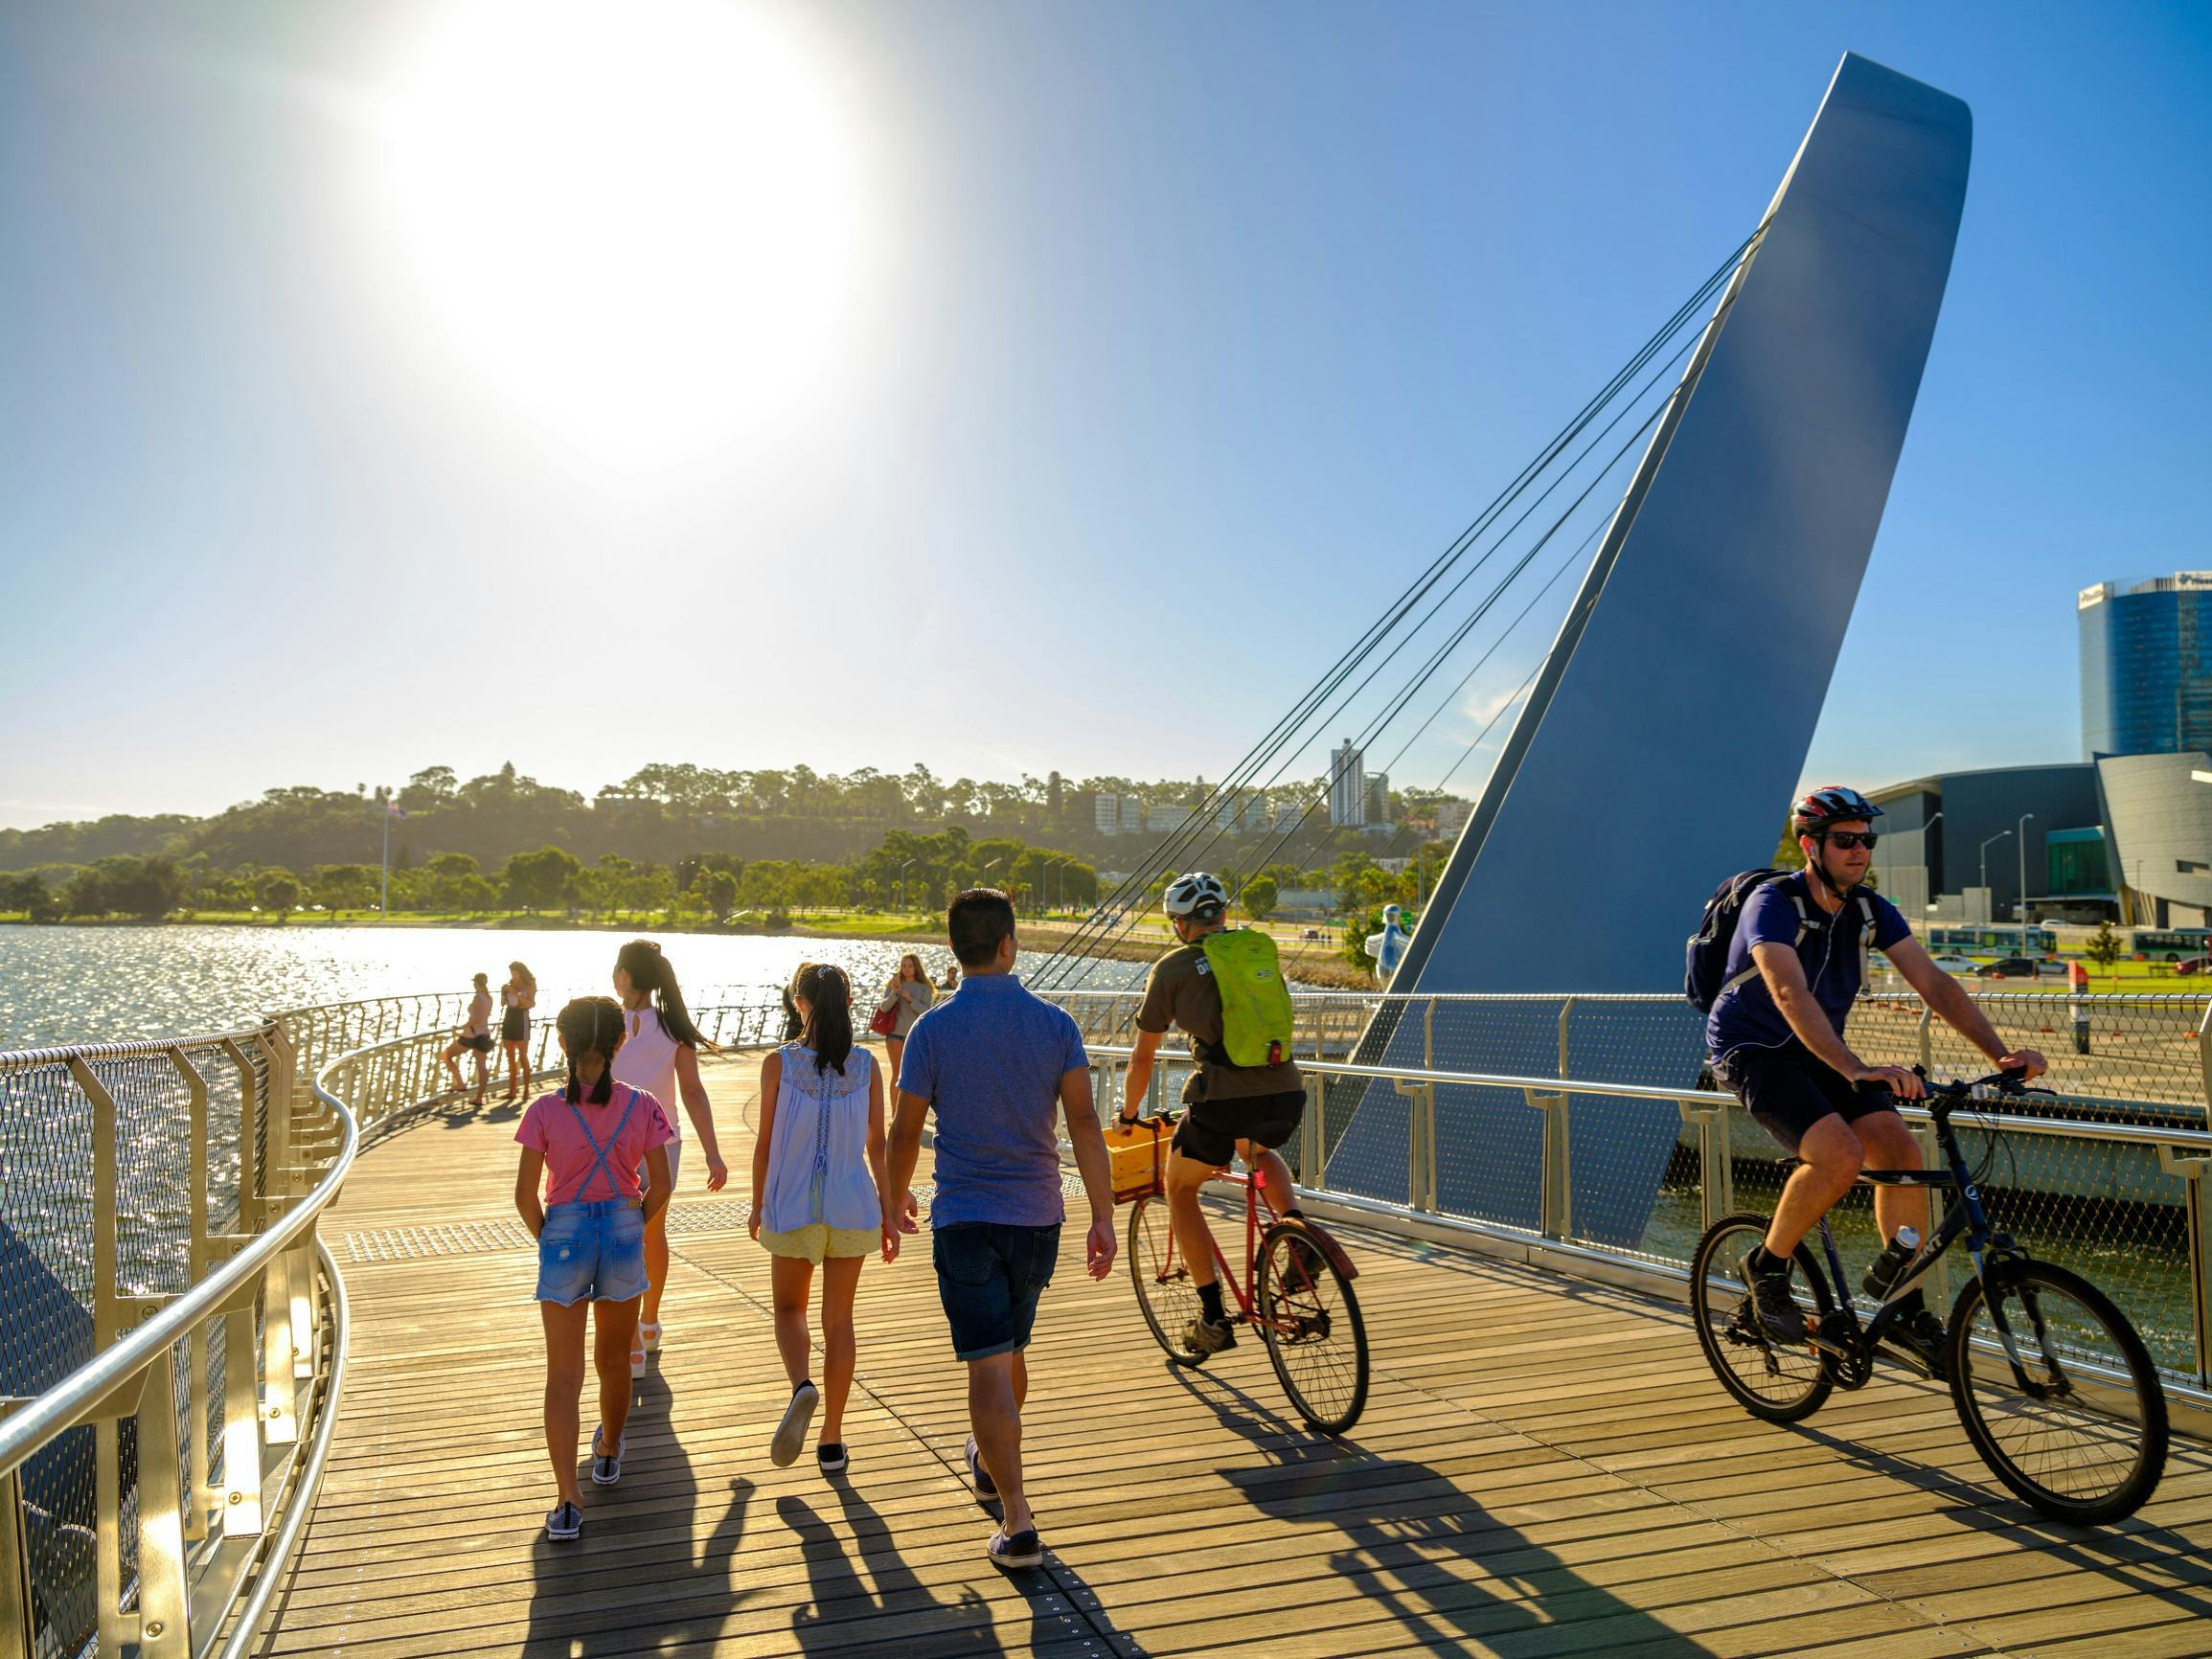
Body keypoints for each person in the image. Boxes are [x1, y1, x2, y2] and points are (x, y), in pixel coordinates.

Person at [1708, 786, 2047, 1372]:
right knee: (1837, 1154)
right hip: (1755, 1049)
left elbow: (1934, 984)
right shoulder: (1774, 902)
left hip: (1820, 1051)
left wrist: (1999, 1055)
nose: (1860, 850)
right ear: (1811, 846)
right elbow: (1788, 990)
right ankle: (1767, 1267)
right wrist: (1858, 1069)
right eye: (1845, 841)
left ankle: (1906, 1307)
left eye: (1867, 839)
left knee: (1899, 1152)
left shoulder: (1869, 909)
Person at [884, 888, 1116, 1570]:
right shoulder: (1055, 1024)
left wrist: (892, 1201)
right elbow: (1082, 1124)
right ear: (1010, 944)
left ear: (954, 952)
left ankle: (1017, 1522)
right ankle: (992, 1460)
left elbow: (903, 1130)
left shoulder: (930, 1030)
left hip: (963, 1218)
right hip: (1037, 1218)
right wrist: (1103, 1215)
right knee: (1010, 1350)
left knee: (989, 1362)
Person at [1117, 872, 1307, 1356]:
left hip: (1222, 1097)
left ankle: (1213, 1317)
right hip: (1286, 1088)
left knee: (1179, 1188)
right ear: (1223, 914)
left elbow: (1143, 1058)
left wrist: (1128, 1113)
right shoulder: (1256, 950)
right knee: (1257, 1150)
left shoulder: (1174, 967)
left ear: (1180, 924)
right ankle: (1297, 1230)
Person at [513, 996, 675, 1541]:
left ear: (561, 1043)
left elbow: (524, 1195)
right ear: (618, 1044)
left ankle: (567, 1500)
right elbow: (663, 1185)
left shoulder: (543, 1111)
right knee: (614, 1360)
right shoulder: (644, 1105)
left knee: (562, 1376)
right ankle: (608, 1448)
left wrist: (552, 1239)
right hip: (625, 1232)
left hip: (564, 1232)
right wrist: (633, 1224)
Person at [751, 963, 911, 1475]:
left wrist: (757, 1202)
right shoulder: (866, 1065)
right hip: (852, 1205)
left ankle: (802, 1387)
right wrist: (888, 1212)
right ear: (846, 1003)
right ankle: (832, 1440)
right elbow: (877, 1143)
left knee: (786, 1309)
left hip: (794, 1205)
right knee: (839, 1323)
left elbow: (764, 1143)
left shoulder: (780, 1064)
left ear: (799, 1003)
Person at [610, 940, 729, 1375]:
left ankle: (633, 1342)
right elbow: (693, 1092)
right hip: (663, 1145)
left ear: (625, 977)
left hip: (611, 1146)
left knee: (623, 1238)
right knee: (652, 1235)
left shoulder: (606, 1022)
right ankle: (648, 1324)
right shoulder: (675, 1026)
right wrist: (713, 1153)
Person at [878, 953, 935, 1082]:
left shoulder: (924, 987)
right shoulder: (893, 984)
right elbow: (884, 1008)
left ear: (916, 967)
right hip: (895, 1034)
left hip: (915, 1034)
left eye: (910, 965)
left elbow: (927, 1011)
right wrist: (895, 993)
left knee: (915, 1072)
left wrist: (910, 999)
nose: (906, 969)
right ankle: (894, 1104)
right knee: (897, 1071)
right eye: (903, 965)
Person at [441, 972, 496, 1103]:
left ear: (476, 983)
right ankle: (479, 1098)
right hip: (483, 1034)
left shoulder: (478, 997)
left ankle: (460, 1083)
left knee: (446, 1055)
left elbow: (474, 1019)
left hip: (471, 1035)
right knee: (482, 1066)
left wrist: (459, 1027)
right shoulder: (489, 998)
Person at [498, 961, 537, 1102]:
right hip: (509, 1018)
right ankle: (512, 1091)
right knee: (510, 1057)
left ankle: (526, 1089)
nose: (513, 976)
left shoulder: (530, 983)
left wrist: (516, 993)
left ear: (521, 972)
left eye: (515, 973)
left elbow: (530, 1003)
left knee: (522, 1055)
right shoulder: (509, 985)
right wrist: (503, 993)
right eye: (512, 974)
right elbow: (503, 1003)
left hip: (522, 1019)